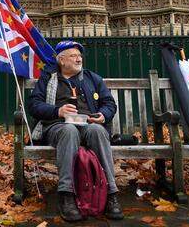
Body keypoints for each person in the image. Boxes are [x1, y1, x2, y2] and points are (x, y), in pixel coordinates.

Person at [26, 40, 123, 222]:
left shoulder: (92, 78)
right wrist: (57, 111)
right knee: (69, 130)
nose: (79, 59)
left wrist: (103, 115)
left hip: (88, 125)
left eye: (80, 56)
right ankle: (66, 195)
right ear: (61, 60)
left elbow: (109, 103)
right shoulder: (49, 78)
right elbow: (33, 105)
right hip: (58, 126)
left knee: (98, 131)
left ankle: (111, 193)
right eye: (73, 56)